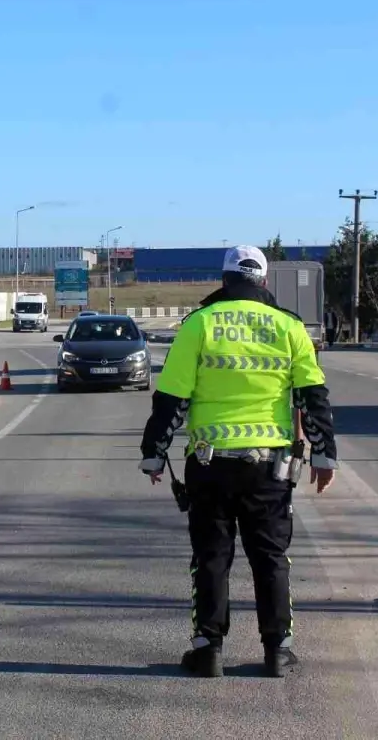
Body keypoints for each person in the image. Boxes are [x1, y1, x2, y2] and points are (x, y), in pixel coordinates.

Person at [139, 245, 338, 678]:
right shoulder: (289, 327)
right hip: (270, 468)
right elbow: (313, 396)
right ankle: (278, 651)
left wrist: (154, 454)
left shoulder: (199, 324)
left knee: (211, 557)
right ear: (263, 282)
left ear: (225, 279)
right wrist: (324, 455)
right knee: (271, 557)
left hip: (210, 465)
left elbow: (172, 398)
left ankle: (208, 648)